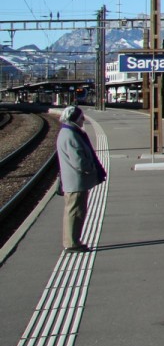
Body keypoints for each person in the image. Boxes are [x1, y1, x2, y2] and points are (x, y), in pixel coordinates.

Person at [56, 105, 106, 252]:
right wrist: (91, 168)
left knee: (74, 211)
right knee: (75, 212)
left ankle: (72, 241)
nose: (83, 120)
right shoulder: (70, 135)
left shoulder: (67, 132)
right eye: (81, 118)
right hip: (75, 182)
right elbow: (78, 161)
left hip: (73, 181)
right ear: (75, 119)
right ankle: (72, 243)